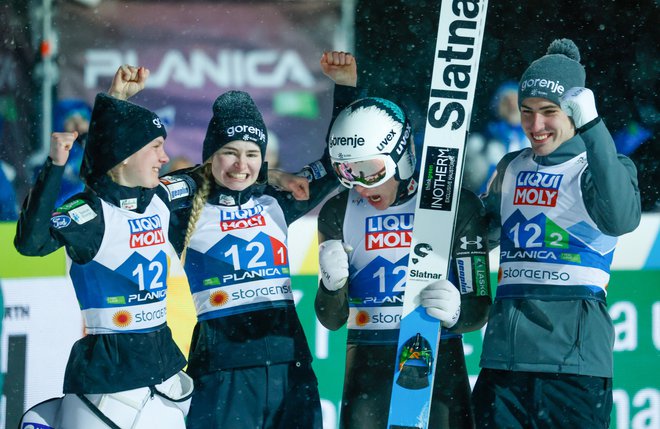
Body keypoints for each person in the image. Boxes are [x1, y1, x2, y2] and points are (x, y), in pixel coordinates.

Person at [315, 51, 492, 429]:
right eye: (346, 172)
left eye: (370, 170)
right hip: (367, 365)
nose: (361, 186)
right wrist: (331, 286)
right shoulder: (336, 212)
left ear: (402, 157)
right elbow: (331, 320)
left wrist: (459, 314)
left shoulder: (453, 204)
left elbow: (479, 305)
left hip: (437, 359)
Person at [471, 38, 642, 428]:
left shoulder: (600, 167)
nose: (535, 126)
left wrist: (594, 128)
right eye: (527, 112)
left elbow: (620, 219)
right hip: (503, 363)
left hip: (573, 367)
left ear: (574, 112)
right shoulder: (511, 166)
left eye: (549, 112)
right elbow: (479, 236)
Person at [14, 66, 194, 428]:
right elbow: (30, 244)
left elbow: (229, 174)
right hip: (105, 379)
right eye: (156, 147)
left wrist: (115, 103)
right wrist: (54, 165)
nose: (165, 157)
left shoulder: (161, 196)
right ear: (125, 156)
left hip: (164, 372)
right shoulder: (89, 213)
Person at [158, 88, 339, 428]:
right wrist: (266, 173)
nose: (242, 165)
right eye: (230, 152)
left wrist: (345, 89)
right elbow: (139, 192)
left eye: (252, 154)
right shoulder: (185, 208)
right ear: (211, 155)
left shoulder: (276, 200)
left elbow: (335, 164)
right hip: (223, 372)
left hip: (291, 366)